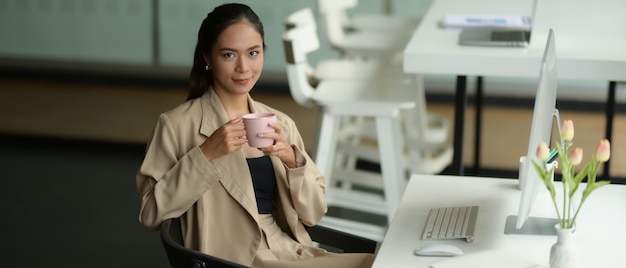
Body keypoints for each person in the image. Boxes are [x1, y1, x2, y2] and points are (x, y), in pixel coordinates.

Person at [136, 3, 375, 267]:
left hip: (289, 250)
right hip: (236, 260)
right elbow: (151, 214)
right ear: (207, 57)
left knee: (383, 261)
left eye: (253, 53)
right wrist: (206, 155)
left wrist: (292, 160)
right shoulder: (176, 125)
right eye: (229, 55)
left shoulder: (280, 123)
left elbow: (314, 212)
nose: (243, 67)